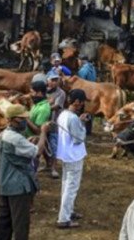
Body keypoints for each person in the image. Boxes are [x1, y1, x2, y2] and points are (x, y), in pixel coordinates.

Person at [0, 104, 48, 240]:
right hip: (18, 186)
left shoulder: (5, 134)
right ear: (14, 120)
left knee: (4, 218)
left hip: (5, 183)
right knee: (21, 221)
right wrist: (43, 132)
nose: (25, 121)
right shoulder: (15, 138)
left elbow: (18, 148)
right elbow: (37, 152)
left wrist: (28, 142)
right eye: (22, 119)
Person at [56, 89, 89, 229]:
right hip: (74, 155)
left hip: (65, 154)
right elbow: (78, 138)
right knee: (71, 187)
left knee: (66, 184)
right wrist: (83, 124)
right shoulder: (73, 118)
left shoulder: (63, 114)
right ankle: (63, 218)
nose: (82, 105)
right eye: (82, 102)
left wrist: (79, 121)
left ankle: (68, 212)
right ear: (77, 102)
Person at [25, 80, 56, 177]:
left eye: (33, 92)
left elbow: (38, 131)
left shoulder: (43, 109)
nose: (31, 95)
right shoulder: (36, 103)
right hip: (28, 139)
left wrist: (25, 118)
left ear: (39, 93)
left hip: (33, 141)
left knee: (31, 167)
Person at [46, 73, 66, 178]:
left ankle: (53, 167)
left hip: (54, 122)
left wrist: (43, 108)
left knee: (53, 146)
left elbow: (56, 106)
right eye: (52, 80)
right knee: (43, 144)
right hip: (43, 122)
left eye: (56, 80)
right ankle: (47, 164)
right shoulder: (43, 91)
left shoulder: (61, 93)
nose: (54, 82)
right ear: (47, 81)